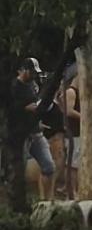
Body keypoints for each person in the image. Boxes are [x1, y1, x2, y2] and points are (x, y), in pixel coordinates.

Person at [10, 58, 56, 201]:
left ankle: (46, 200)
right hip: (20, 134)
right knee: (18, 170)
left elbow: (36, 104)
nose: (34, 76)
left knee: (49, 166)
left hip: (36, 132)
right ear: (24, 70)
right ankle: (18, 200)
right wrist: (24, 108)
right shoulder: (13, 87)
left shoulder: (33, 85)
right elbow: (9, 109)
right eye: (31, 72)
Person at [39, 75, 65, 200]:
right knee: (48, 166)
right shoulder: (47, 101)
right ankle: (44, 195)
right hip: (51, 137)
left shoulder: (57, 101)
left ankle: (51, 192)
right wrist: (39, 124)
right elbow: (38, 113)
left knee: (57, 166)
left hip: (59, 136)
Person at [64, 74, 81, 200]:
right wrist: (85, 116)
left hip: (79, 132)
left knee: (77, 163)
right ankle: (72, 191)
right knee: (73, 163)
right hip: (72, 132)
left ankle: (77, 190)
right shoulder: (71, 91)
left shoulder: (81, 93)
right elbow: (69, 111)